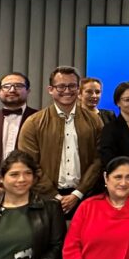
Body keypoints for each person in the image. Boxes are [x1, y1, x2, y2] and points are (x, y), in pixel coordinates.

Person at [18, 66, 103, 216]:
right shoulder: (33, 122)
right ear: (50, 89)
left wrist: (78, 193)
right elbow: (29, 163)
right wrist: (55, 196)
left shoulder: (95, 121)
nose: (67, 90)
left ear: (78, 89)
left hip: (85, 197)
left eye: (72, 86)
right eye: (61, 86)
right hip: (44, 199)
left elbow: (99, 159)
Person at [0, 72, 38, 201]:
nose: (12, 90)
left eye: (18, 86)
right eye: (7, 86)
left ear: (28, 91)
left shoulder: (39, 119)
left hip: (31, 191)